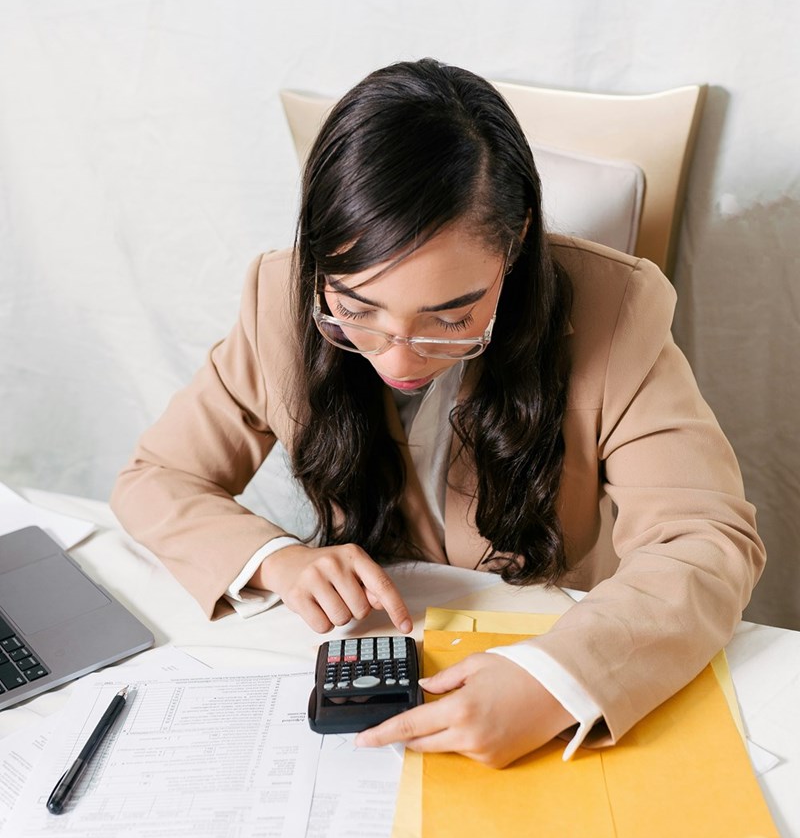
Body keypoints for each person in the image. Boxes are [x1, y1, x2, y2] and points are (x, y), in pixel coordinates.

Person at [111, 58, 765, 768]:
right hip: (361, 665)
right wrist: (281, 562)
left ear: (513, 248)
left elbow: (705, 539)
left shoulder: (619, 310)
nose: (396, 361)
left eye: (450, 318)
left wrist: (555, 680)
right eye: (357, 310)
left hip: (546, 648)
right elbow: (156, 478)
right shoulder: (277, 296)